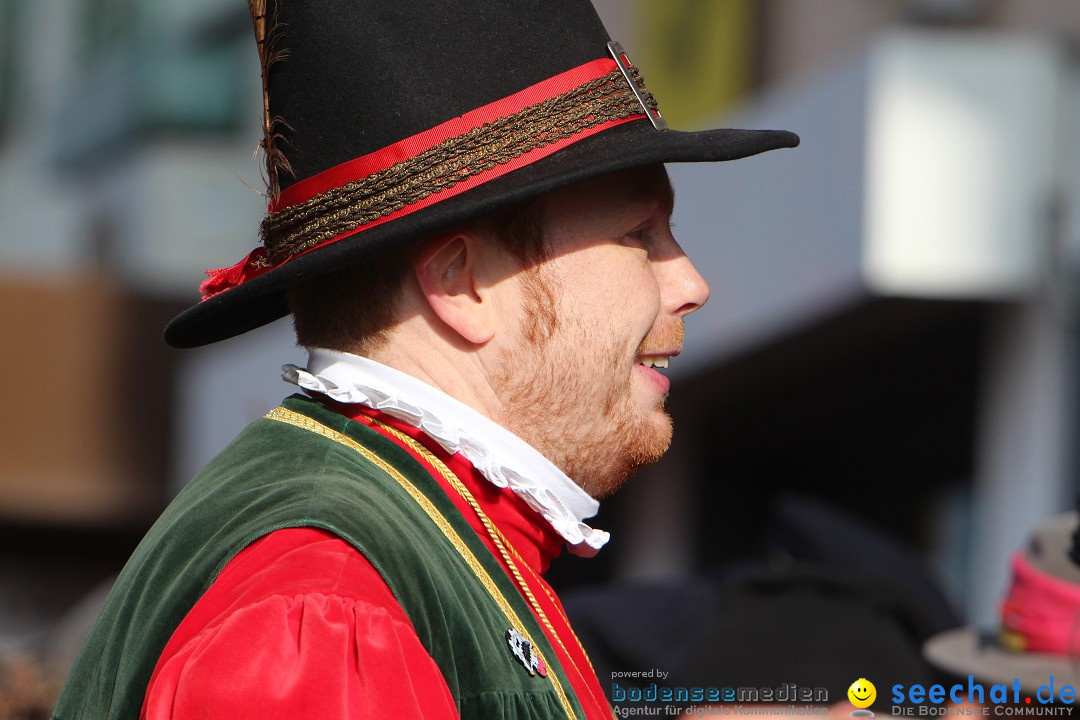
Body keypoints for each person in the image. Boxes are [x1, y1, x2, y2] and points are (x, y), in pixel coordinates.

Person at [51, 1, 798, 718]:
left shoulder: (414, 542)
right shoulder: (327, 603)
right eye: (640, 234)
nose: (690, 283)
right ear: (461, 284)